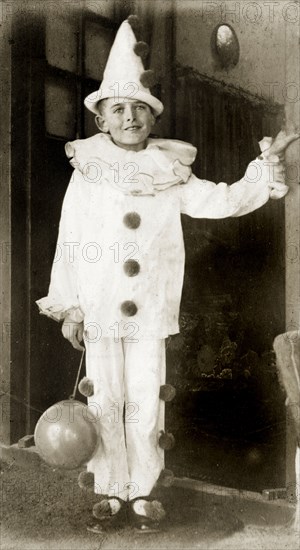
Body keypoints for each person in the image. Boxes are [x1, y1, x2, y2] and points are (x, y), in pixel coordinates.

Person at [36, 17, 299, 534]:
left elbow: (222, 200)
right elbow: (69, 239)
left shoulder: (170, 172)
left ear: (152, 119)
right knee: (106, 396)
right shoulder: (88, 172)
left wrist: (263, 166)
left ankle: (143, 492)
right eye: (118, 109)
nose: (130, 117)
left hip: (150, 307)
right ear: (102, 122)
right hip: (101, 305)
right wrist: (69, 306)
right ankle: (111, 489)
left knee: (144, 394)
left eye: (139, 108)